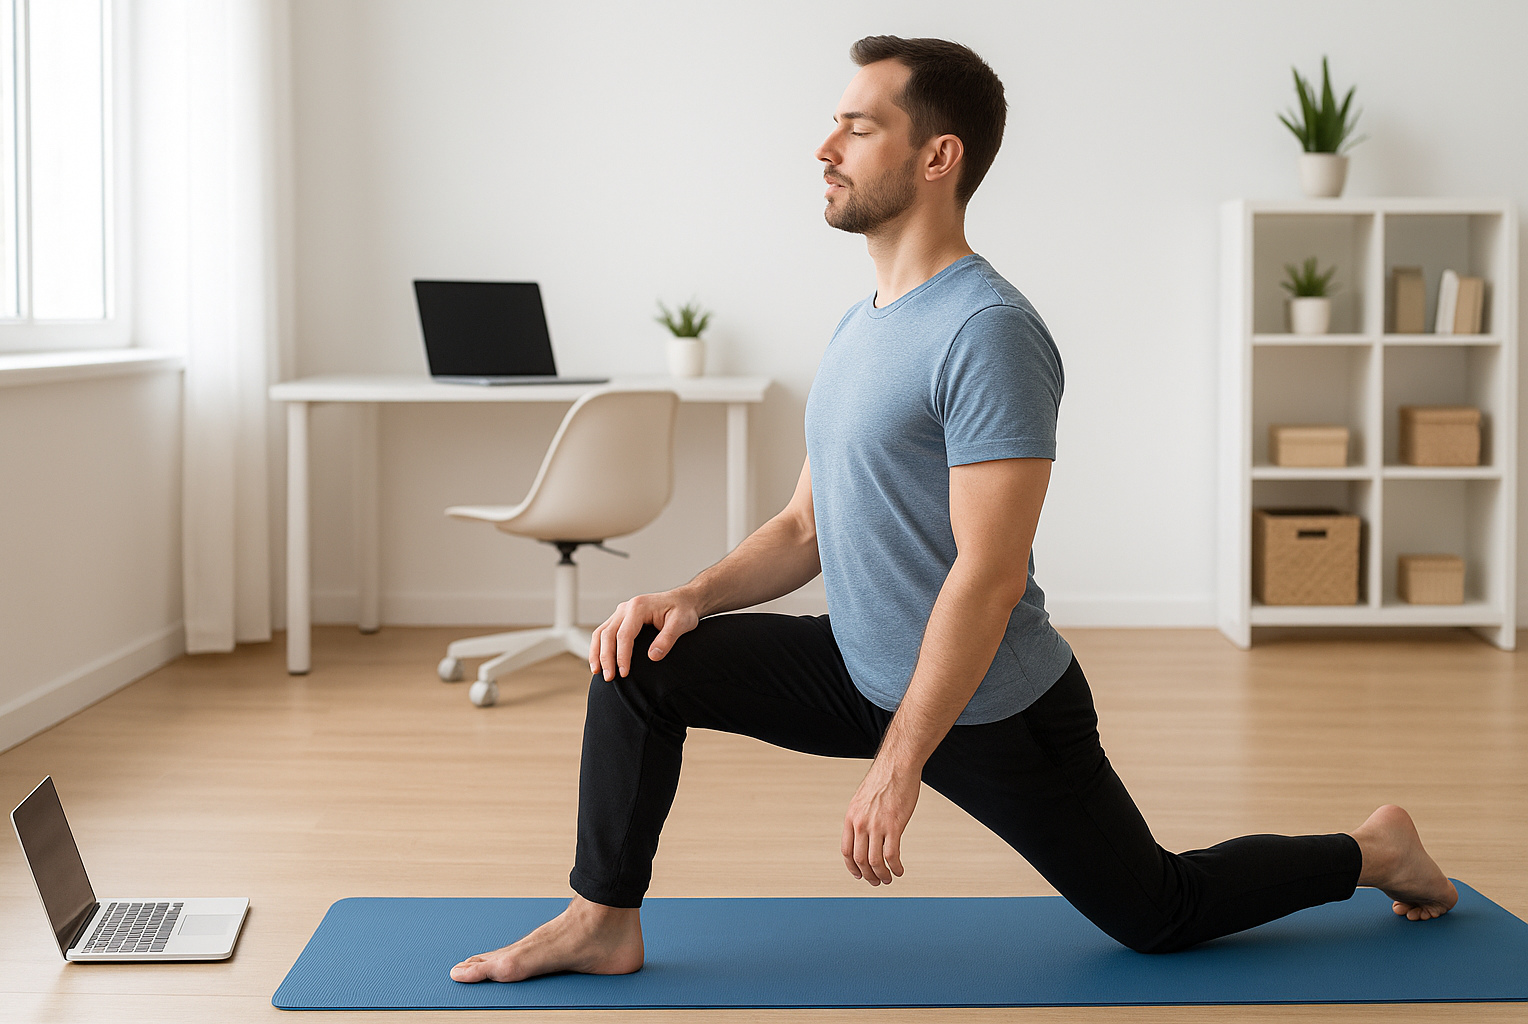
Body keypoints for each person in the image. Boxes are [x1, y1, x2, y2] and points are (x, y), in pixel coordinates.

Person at [450, 35, 1457, 984]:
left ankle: (1374, 848)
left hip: (993, 705)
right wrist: (690, 595)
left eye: (856, 126)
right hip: (859, 664)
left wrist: (900, 764)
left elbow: (990, 572)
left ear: (937, 156)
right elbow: (804, 528)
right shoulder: (860, 324)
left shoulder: (989, 333)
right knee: (640, 663)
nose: (823, 147)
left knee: (1160, 912)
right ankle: (602, 918)